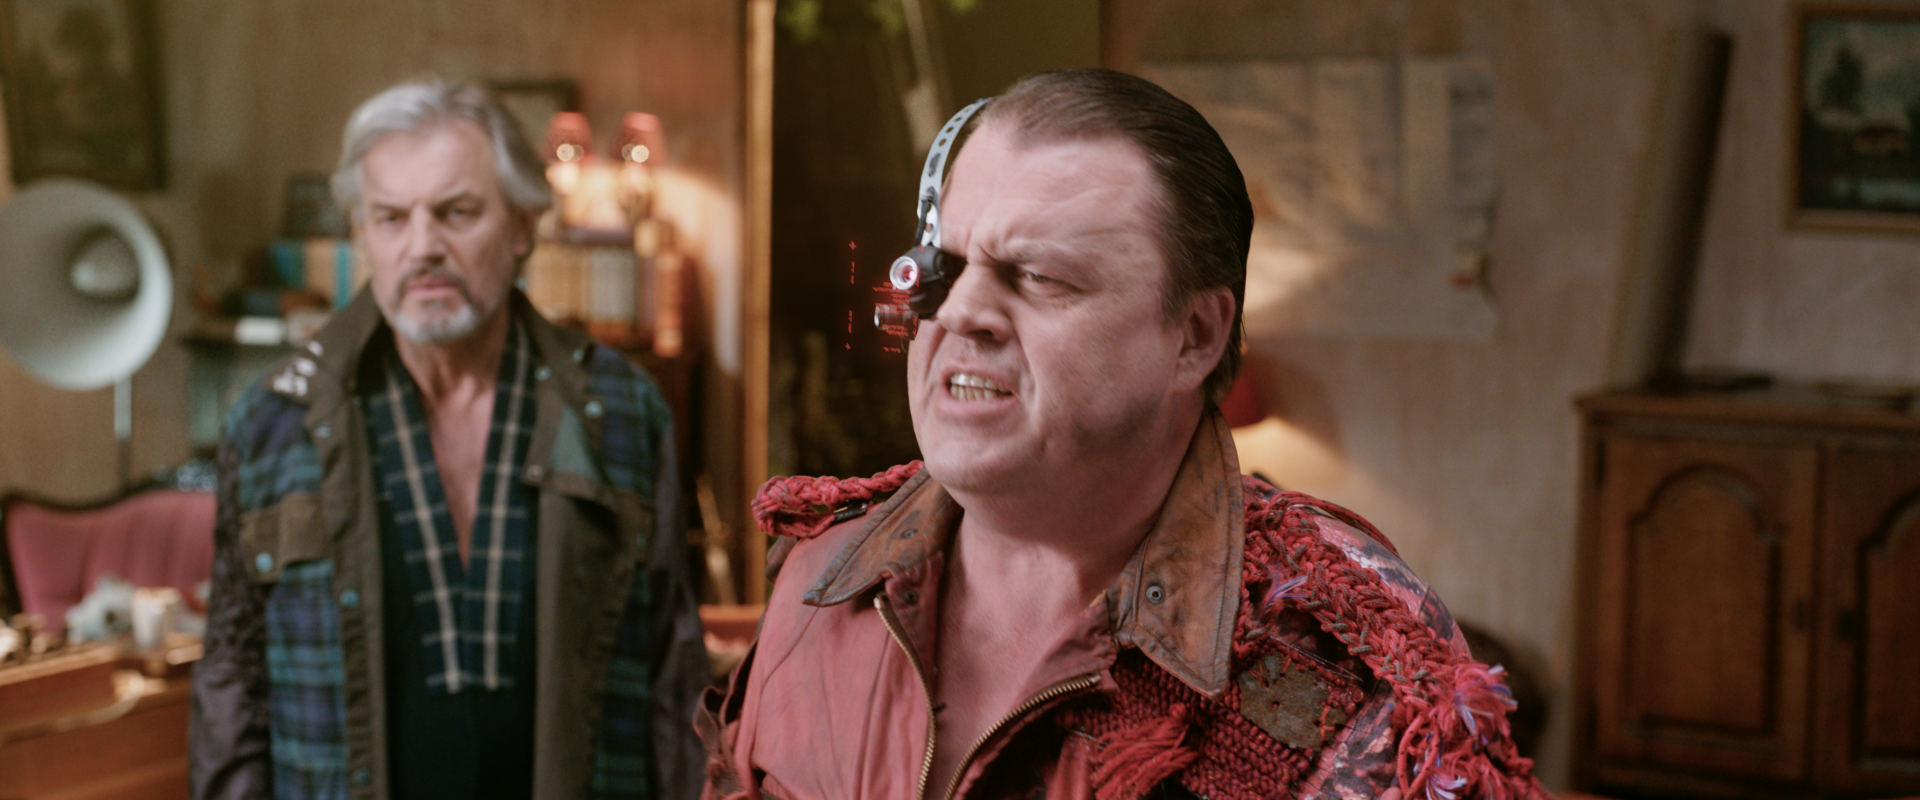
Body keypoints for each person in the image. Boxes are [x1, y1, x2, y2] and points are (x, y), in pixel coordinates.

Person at [699, 69, 1550, 800]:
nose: (959, 312)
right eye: (945, 267)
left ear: (1195, 337)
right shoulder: (820, 577)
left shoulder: (1354, 664)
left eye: (1039, 275)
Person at [191, 81, 708, 800]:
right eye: (391, 218)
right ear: (363, 233)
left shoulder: (622, 412)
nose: (423, 246)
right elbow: (232, 681)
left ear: (523, 226)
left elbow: (673, 683)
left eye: (456, 213)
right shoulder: (273, 423)